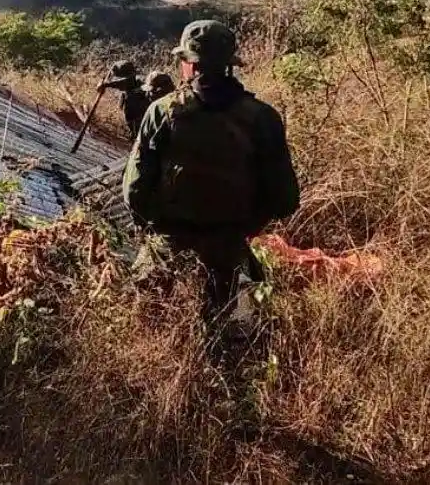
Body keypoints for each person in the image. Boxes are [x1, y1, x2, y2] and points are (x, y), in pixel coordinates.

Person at [122, 20, 300, 331]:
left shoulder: (161, 112)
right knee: (232, 335)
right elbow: (285, 200)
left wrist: (160, 228)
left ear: (188, 65)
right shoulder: (262, 118)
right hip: (229, 249)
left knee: (149, 326)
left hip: (168, 249)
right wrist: (245, 226)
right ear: (230, 65)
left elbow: (134, 191)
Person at [100, 60, 151, 136]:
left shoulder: (144, 87)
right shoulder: (129, 85)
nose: (119, 85)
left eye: (122, 81)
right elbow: (118, 83)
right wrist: (104, 85)